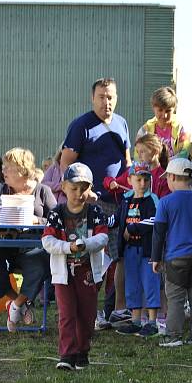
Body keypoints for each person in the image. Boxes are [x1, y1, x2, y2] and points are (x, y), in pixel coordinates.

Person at [60, 77, 132, 330]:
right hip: (91, 203)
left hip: (119, 202)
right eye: (101, 96)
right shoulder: (81, 125)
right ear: (93, 99)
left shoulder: (122, 124)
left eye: (110, 96)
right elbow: (66, 164)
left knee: (118, 256)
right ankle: (86, 310)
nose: (106, 101)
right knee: (91, 258)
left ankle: (114, 310)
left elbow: (127, 162)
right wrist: (81, 193)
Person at [0, 148, 56, 330]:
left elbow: (56, 219)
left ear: (22, 170)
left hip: (31, 248)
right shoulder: (0, 190)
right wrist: (6, 215)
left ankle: (16, 305)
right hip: (1, 245)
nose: (2, 171)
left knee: (43, 262)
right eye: (3, 167)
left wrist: (36, 220)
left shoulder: (43, 191)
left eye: (7, 168)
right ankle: (18, 302)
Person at [41, 163, 109, 370]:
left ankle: (82, 351)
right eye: (74, 188)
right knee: (67, 313)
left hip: (87, 271)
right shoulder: (56, 213)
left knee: (87, 314)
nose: (78, 193)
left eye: (84, 188)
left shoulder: (95, 212)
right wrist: (68, 247)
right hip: (63, 273)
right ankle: (67, 355)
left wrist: (85, 244)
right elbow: (47, 241)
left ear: (90, 189)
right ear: (63, 186)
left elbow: (103, 237)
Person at [151, 157, 192, 348]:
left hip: (176, 257)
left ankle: (174, 336)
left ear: (171, 177)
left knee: (176, 297)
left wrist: (156, 258)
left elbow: (159, 233)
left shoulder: (165, 202)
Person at [113, 162, 160, 338]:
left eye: (146, 179)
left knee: (150, 283)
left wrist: (133, 228)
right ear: (130, 179)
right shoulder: (126, 199)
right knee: (132, 284)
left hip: (147, 250)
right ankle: (135, 321)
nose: (142, 183)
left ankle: (153, 322)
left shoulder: (152, 200)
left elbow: (155, 220)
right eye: (138, 179)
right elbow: (117, 218)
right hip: (130, 249)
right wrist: (102, 222)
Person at [106, 133, 169, 199]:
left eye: (142, 152)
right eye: (138, 152)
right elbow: (109, 181)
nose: (139, 156)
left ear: (155, 151)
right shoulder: (134, 172)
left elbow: (164, 205)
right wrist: (110, 183)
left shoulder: (163, 178)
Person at [135, 86, 191, 160]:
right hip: (151, 170)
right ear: (153, 108)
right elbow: (137, 156)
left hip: (173, 169)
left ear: (174, 109)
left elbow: (184, 154)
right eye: (160, 110)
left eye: (168, 111)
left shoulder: (181, 129)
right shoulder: (145, 130)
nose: (164, 115)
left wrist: (166, 164)